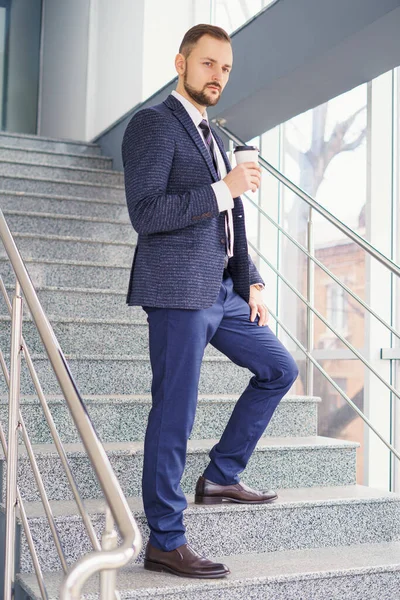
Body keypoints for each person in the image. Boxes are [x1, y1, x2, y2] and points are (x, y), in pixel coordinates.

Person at [122, 23, 298, 580]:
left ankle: (221, 474)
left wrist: (250, 280)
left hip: (221, 290)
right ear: (182, 63)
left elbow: (232, 215)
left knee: (279, 368)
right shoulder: (152, 125)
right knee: (174, 413)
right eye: (207, 64)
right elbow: (146, 214)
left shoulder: (215, 137)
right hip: (177, 292)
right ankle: (165, 540)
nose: (217, 75)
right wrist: (226, 188)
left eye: (224, 67)